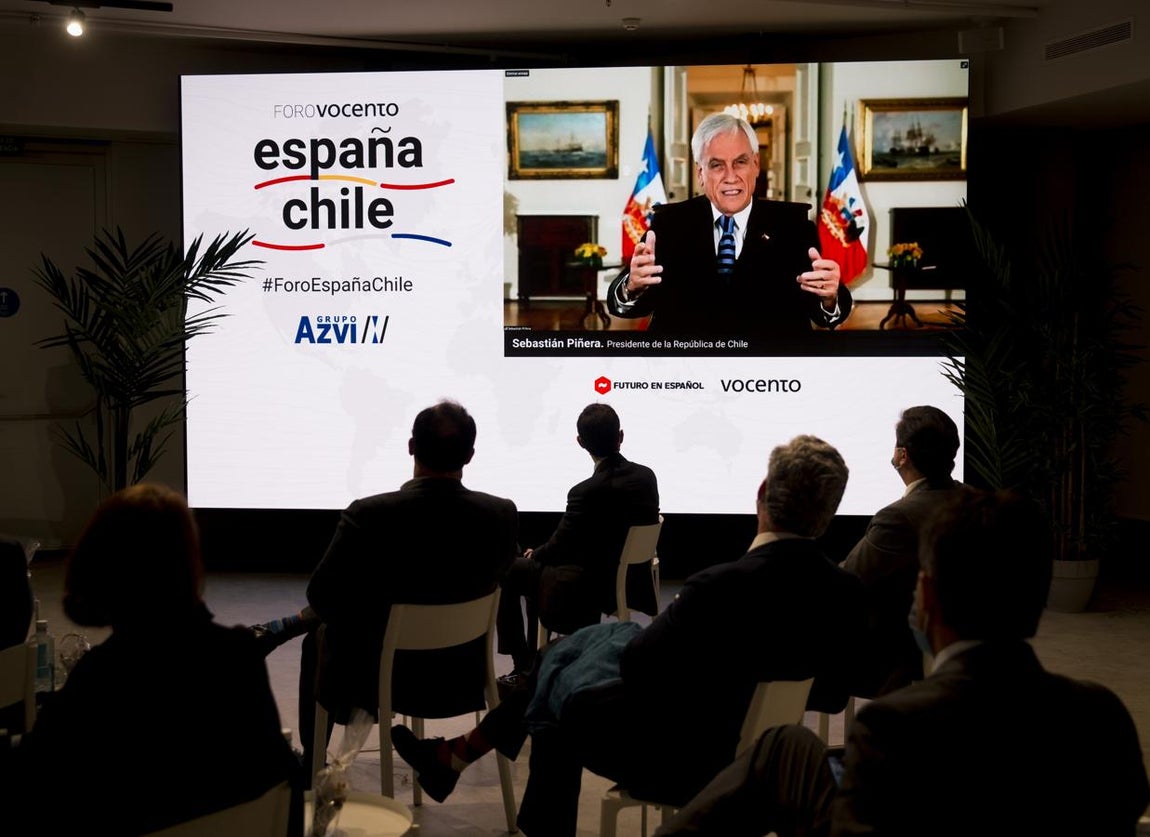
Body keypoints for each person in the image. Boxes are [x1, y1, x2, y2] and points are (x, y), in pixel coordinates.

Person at [394, 435, 865, 837]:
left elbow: (640, 667)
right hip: (764, 761)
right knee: (564, 666)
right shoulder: (845, 593)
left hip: (684, 761)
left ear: (761, 493)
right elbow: (830, 695)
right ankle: (454, 756)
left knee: (560, 692)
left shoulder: (716, 588)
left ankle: (467, 765)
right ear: (829, 513)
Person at [652, 489, 1150, 837]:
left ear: (927, 596)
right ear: (1039, 593)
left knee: (781, 747)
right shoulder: (1103, 716)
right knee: (789, 745)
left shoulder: (895, 724)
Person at [11, 484, 300, 835]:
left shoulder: (101, 678)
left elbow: (35, 786)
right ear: (190, 564)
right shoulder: (237, 657)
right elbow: (279, 780)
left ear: (100, 568)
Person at [303, 400, 518, 761]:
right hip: (461, 677)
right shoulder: (500, 514)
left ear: (411, 447)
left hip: (380, 681)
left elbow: (322, 596)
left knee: (318, 638)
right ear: (470, 455)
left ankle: (311, 764)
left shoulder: (369, 515)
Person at [607, 113, 852, 349]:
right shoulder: (668, 224)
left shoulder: (793, 225)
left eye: (740, 162)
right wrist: (633, 286)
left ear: (756, 165)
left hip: (769, 373)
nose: (730, 177)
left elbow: (824, 315)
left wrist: (829, 299)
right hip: (687, 371)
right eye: (716, 165)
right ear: (700, 173)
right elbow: (624, 307)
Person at [496, 403, 659, 677]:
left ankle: (522, 663)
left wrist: (535, 554)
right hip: (633, 579)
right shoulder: (646, 477)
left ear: (581, 442)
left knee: (509, 568)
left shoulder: (585, 492)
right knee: (531, 568)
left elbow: (562, 545)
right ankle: (530, 661)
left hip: (587, 585)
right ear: (620, 436)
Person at [842, 405, 962, 696]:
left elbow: (848, 579)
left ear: (902, 455)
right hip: (965, 640)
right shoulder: (976, 502)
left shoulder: (897, 517)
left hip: (899, 656)